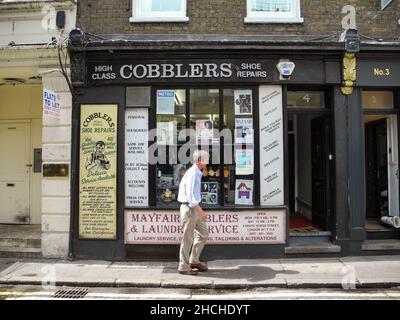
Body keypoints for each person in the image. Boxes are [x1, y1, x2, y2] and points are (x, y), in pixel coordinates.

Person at [177, 149, 209, 275]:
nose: (207, 161)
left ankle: (194, 260)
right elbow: (190, 196)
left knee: (203, 234)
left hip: (193, 209)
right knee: (187, 239)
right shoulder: (192, 173)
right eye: (206, 159)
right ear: (201, 160)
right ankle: (183, 266)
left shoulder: (197, 172)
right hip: (190, 209)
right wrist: (200, 211)